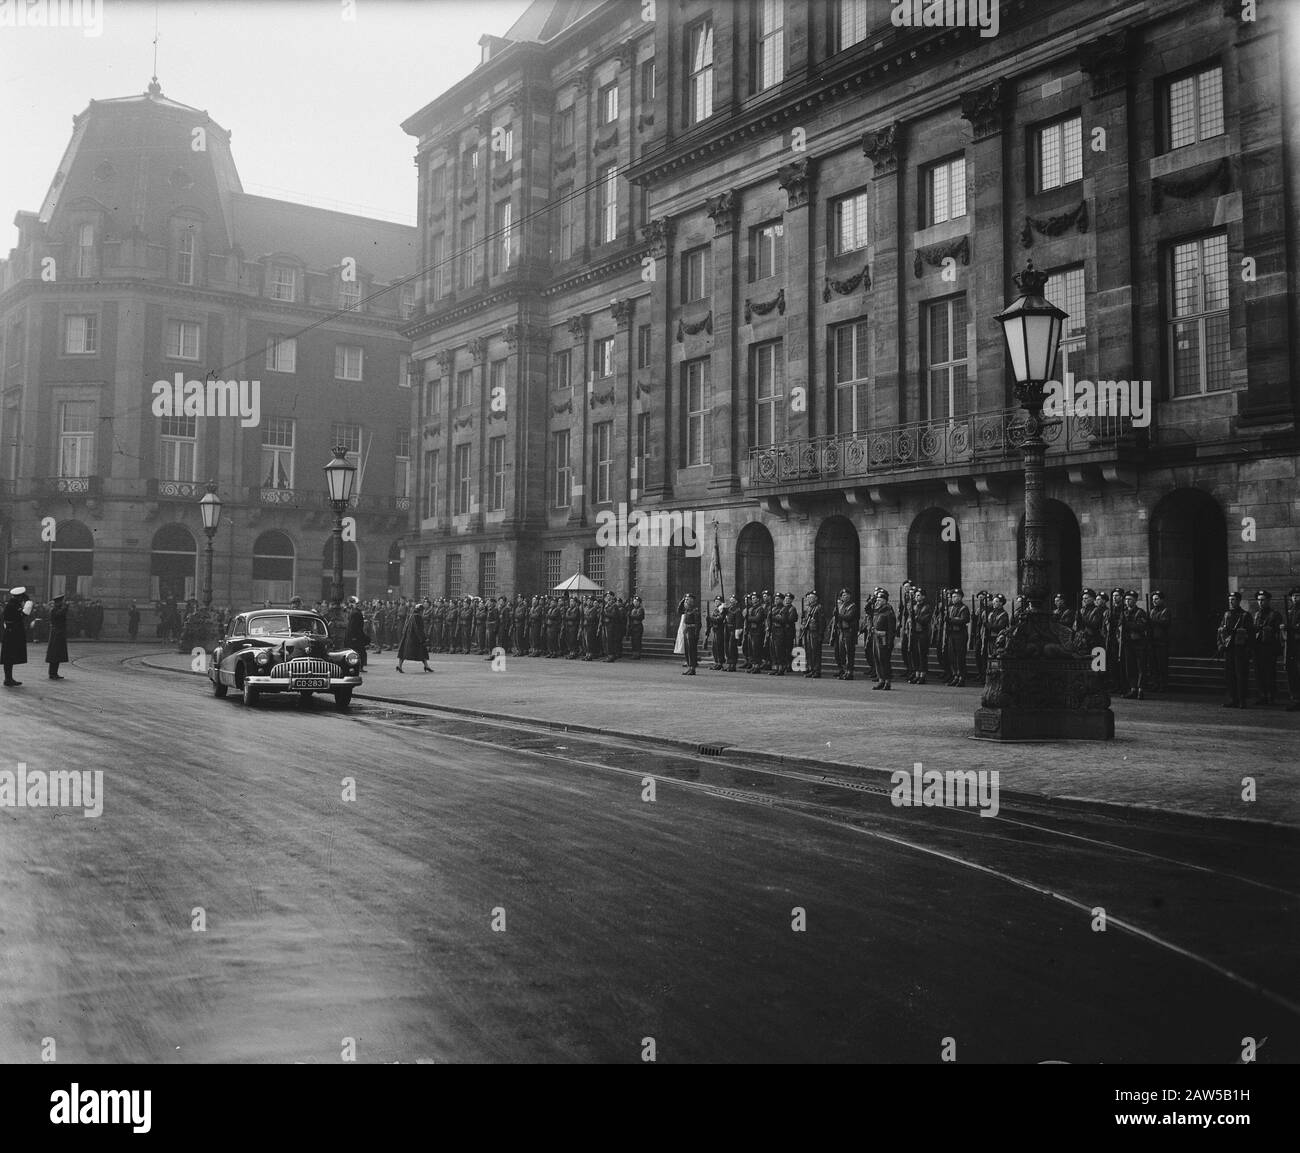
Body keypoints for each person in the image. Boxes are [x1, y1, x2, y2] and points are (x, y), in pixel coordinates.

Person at [1217, 591, 1254, 708]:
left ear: (1238, 601)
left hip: (1240, 650)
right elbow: (1220, 631)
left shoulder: (1245, 615)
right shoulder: (1227, 615)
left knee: (1241, 675)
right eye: (1229, 600)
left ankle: (1242, 700)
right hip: (1229, 649)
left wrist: (1248, 649)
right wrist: (1220, 645)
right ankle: (1233, 698)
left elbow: (1251, 634)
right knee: (1230, 675)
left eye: (1233, 600)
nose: (1231, 602)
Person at [1252, 589, 1283, 705]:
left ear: (1268, 600)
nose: (1260, 602)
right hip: (1258, 647)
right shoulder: (1256, 614)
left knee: (1270, 673)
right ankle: (1262, 695)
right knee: (1259, 673)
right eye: (1259, 600)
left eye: (1263, 600)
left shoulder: (1275, 614)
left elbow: (1277, 632)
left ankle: (1271, 696)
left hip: (1269, 648)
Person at [1119, 590, 1149, 699]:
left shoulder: (1140, 612)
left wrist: (1127, 624)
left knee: (1141, 667)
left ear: (1135, 600)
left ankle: (1141, 689)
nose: (1127, 601)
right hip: (1128, 643)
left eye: (1130, 599)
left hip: (1139, 643)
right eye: (1126, 599)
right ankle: (1133, 689)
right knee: (1130, 667)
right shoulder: (1124, 612)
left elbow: (1141, 627)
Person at [3, 586, 32, 686]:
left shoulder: (13, 604)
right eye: (22, 597)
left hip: (11, 633)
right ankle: (8, 679)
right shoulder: (12, 605)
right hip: (11, 634)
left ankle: (9, 678)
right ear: (19, 597)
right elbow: (21, 617)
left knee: (9, 657)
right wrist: (28, 605)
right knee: (8, 658)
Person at [871, 589, 897, 690]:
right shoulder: (877, 611)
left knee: (884, 661)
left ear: (885, 601)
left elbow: (891, 629)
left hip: (884, 639)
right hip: (876, 639)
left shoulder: (888, 612)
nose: (878, 601)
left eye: (880, 600)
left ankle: (887, 681)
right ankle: (880, 679)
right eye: (877, 599)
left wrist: (890, 642)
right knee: (877, 659)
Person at [396, 603, 432, 673]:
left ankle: (399, 666)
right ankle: (426, 666)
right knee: (422, 651)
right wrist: (423, 638)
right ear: (420, 611)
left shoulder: (411, 615)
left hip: (408, 636)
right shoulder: (418, 617)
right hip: (415, 638)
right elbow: (418, 629)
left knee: (404, 652)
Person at [946, 589, 971, 686]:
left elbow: (964, 620)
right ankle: (955, 675)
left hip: (960, 634)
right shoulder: (951, 608)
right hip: (952, 633)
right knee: (952, 656)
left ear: (960, 597)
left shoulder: (964, 608)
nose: (953, 598)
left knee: (960, 657)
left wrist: (951, 620)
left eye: (955, 596)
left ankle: (961, 677)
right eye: (952, 596)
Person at [1147, 591, 1171, 692]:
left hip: (1161, 641)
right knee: (1154, 665)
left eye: (1156, 599)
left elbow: (1164, 623)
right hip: (1153, 641)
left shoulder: (1165, 611)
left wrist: (1151, 621)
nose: (1154, 601)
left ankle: (1163, 684)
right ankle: (1155, 683)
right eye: (1153, 600)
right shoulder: (1152, 611)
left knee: (1162, 665)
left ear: (1161, 599)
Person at [909, 589, 933, 684]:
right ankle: (917, 674)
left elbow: (925, 620)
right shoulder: (914, 606)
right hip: (915, 632)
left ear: (923, 596)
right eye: (916, 595)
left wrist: (916, 617)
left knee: (922, 654)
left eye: (918, 595)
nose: (916, 597)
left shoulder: (927, 607)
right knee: (915, 654)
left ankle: (922, 675)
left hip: (923, 632)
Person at [802, 592, 825, 678]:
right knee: (809, 652)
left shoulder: (818, 608)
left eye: (811, 598)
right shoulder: (808, 608)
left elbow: (822, 622)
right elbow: (804, 619)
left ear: (815, 599)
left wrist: (820, 634)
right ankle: (811, 669)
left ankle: (816, 670)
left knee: (815, 652)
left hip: (815, 633)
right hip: (809, 632)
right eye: (808, 598)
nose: (809, 599)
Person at [1285, 587, 1300, 711]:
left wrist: (1292, 628)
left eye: (1298, 595)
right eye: (1293, 596)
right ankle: (1295, 698)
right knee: (1292, 672)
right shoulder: (1290, 610)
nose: (1295, 598)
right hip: (1292, 645)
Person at [345, 595, 369, 670]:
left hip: (356, 635)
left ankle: (360, 666)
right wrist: (355, 636)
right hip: (356, 636)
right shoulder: (356, 613)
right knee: (360, 651)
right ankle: (360, 666)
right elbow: (353, 626)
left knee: (360, 651)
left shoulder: (355, 612)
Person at [681, 594, 701, 674]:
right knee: (687, 650)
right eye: (685, 599)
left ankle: (692, 668)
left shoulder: (695, 610)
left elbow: (698, 623)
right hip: (687, 630)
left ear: (691, 601)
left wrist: (696, 634)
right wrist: (682, 600)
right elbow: (678, 610)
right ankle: (689, 667)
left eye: (687, 599)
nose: (686, 601)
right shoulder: (687, 610)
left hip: (692, 631)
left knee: (692, 651)